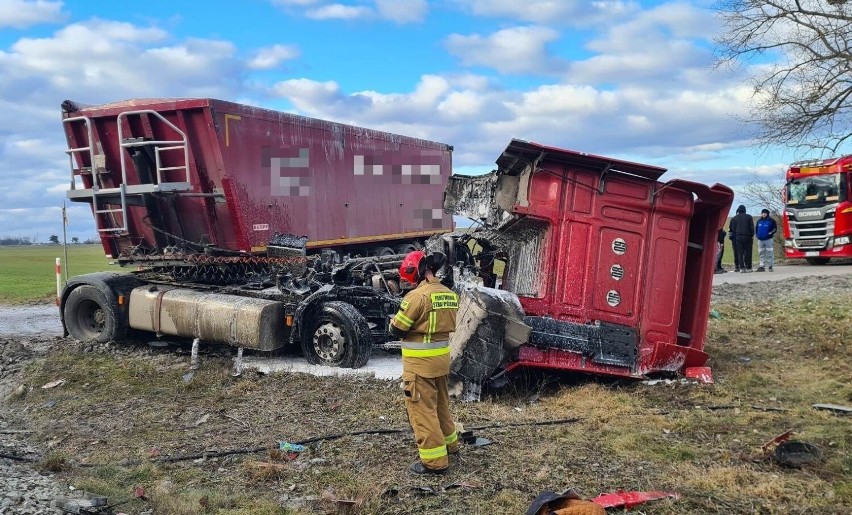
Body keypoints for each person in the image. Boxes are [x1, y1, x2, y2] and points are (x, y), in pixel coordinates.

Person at [389, 250, 460, 475]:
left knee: (422, 412)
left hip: (420, 367)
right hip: (441, 362)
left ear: (415, 274)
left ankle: (434, 462)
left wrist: (392, 321)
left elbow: (397, 329)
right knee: (440, 406)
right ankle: (451, 446)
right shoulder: (448, 293)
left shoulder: (416, 297)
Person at [729, 204, 754, 272]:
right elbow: (751, 227)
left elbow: (732, 229)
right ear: (744, 210)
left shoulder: (734, 218)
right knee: (748, 252)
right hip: (747, 236)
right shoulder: (749, 217)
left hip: (738, 236)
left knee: (740, 252)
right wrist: (752, 235)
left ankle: (741, 268)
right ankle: (748, 267)